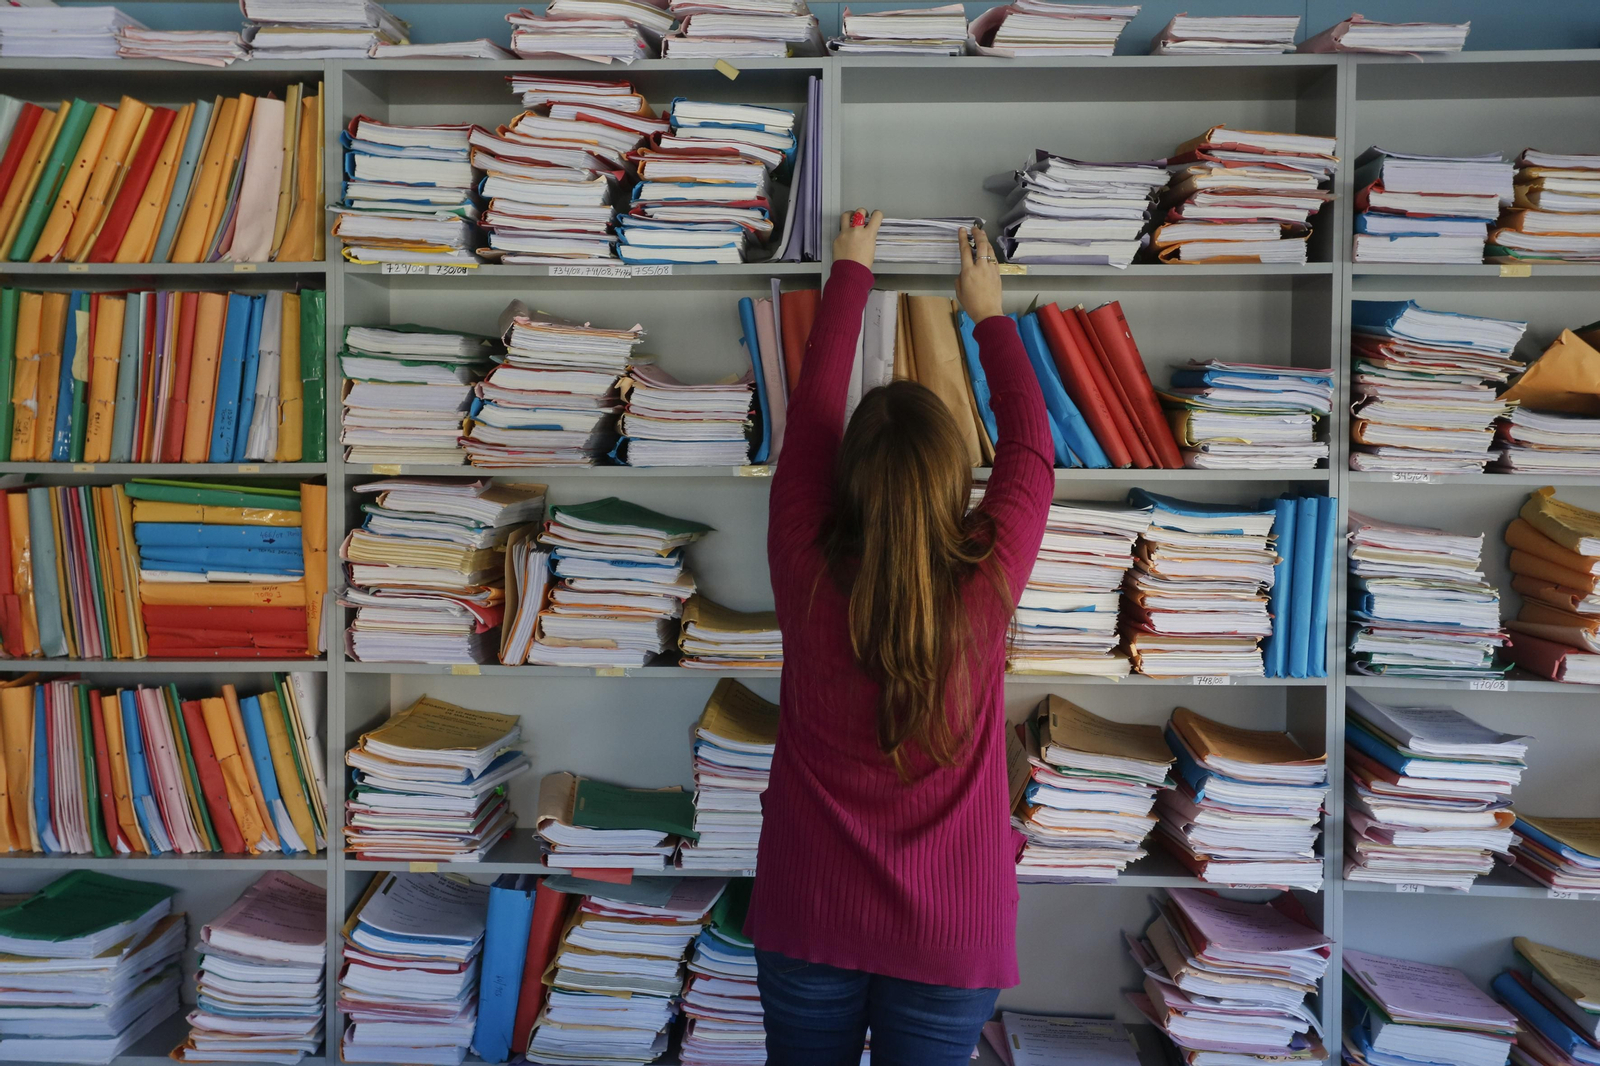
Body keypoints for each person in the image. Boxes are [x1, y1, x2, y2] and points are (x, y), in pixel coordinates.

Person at [746, 210, 1056, 1065]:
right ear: (956, 483)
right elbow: (1032, 450)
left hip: (809, 910)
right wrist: (987, 313)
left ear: (846, 482)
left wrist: (849, 275)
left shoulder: (803, 564)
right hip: (951, 933)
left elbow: (810, 422)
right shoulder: (985, 583)